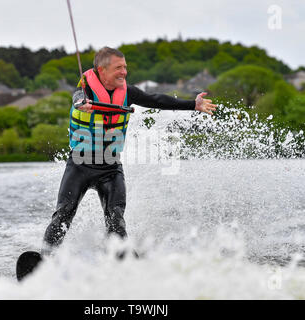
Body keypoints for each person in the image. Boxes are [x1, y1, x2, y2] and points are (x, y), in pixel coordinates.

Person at [41, 47, 217, 256]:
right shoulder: (85, 90)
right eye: (118, 68)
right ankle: (43, 259)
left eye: (125, 67)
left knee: (116, 219)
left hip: (110, 169)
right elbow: (77, 97)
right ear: (102, 70)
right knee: (63, 215)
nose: (124, 72)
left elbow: (157, 100)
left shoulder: (128, 92)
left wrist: (192, 105)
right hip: (79, 165)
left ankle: (121, 259)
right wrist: (81, 105)